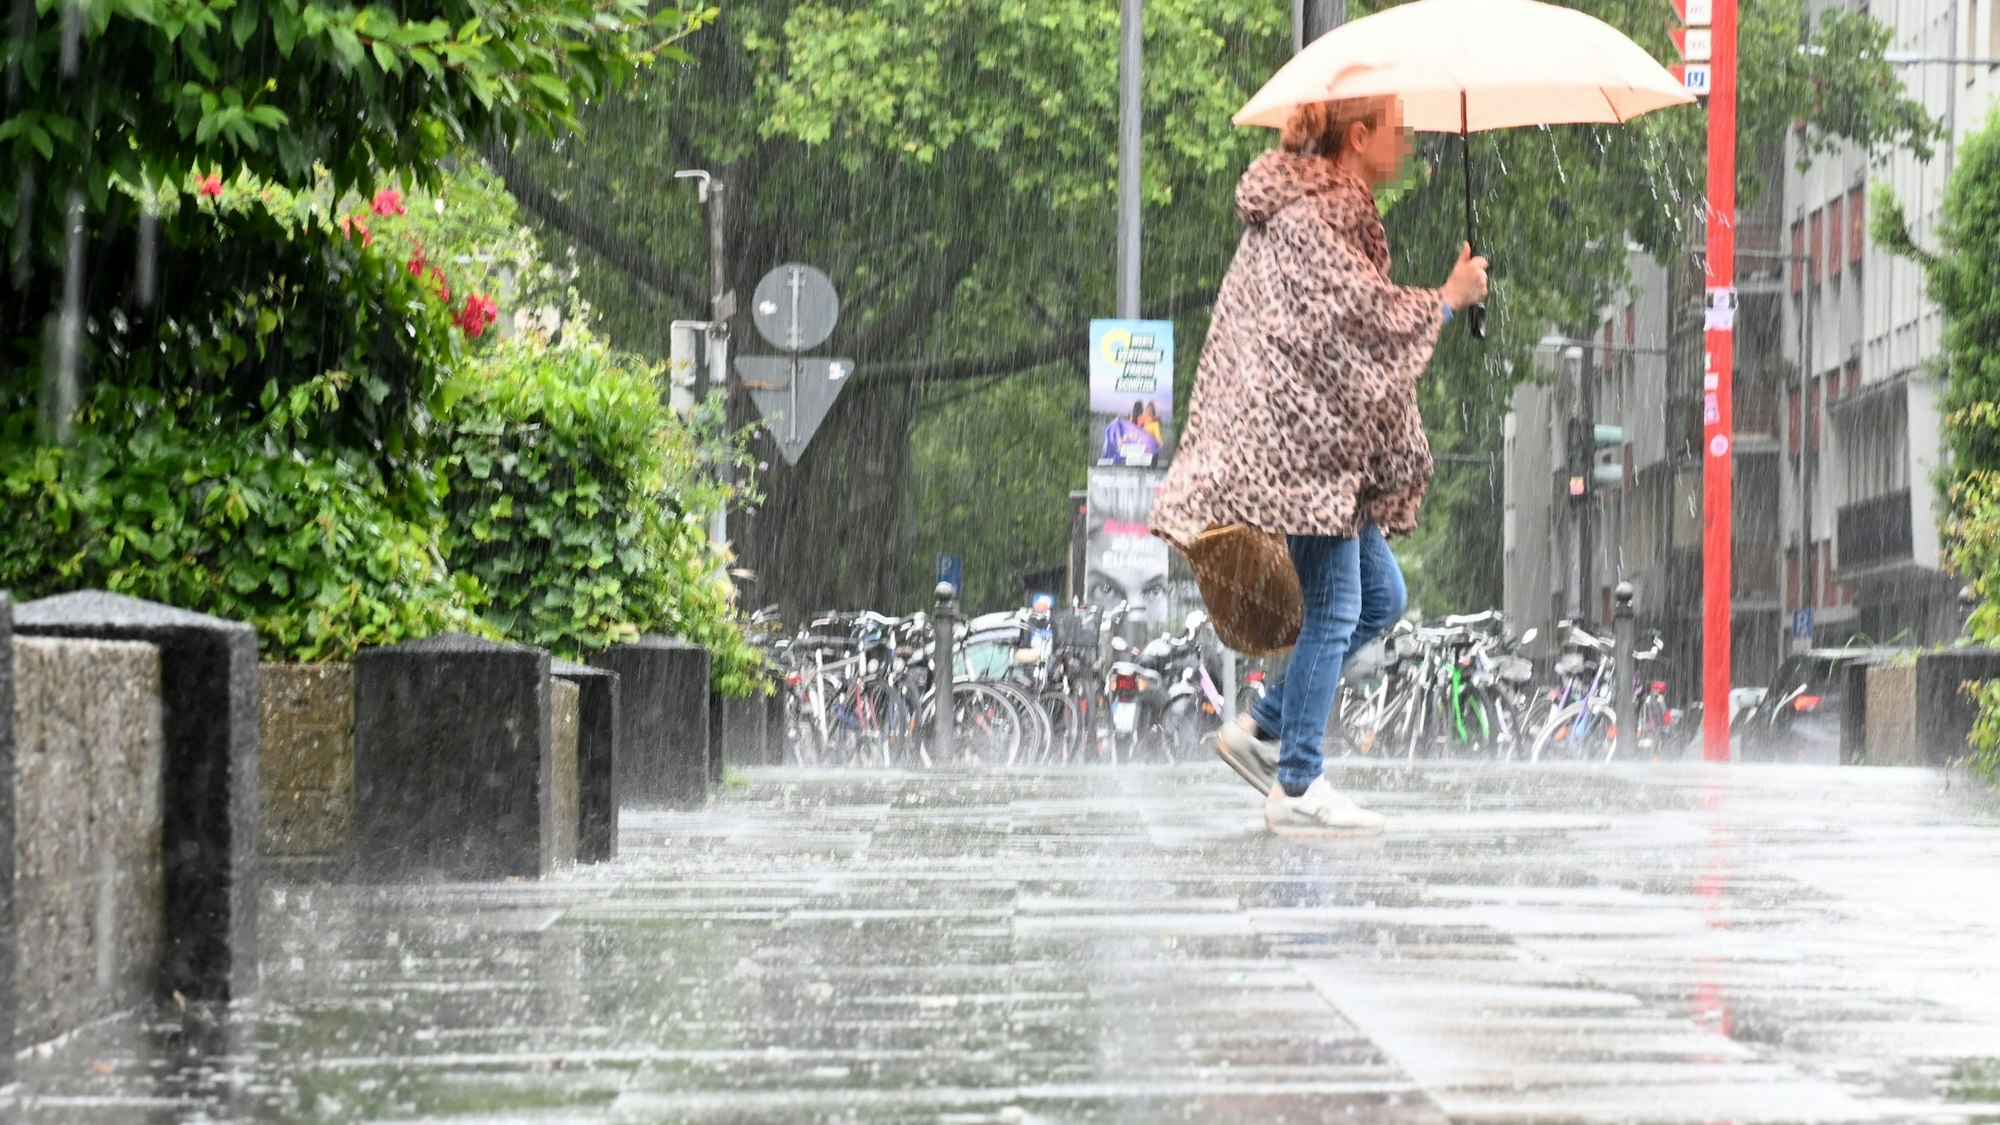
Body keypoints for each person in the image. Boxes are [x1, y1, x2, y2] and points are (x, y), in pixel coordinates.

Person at [1149, 94, 1489, 838]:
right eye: (1398, 131)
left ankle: (1264, 730)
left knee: (1381, 595)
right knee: (1334, 608)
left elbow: (1343, 322)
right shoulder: (1314, 217)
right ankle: (1299, 781)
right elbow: (1352, 326)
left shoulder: (1319, 211)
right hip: (1305, 453)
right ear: (1359, 137)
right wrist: (1447, 300)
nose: (1409, 144)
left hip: (1320, 450)